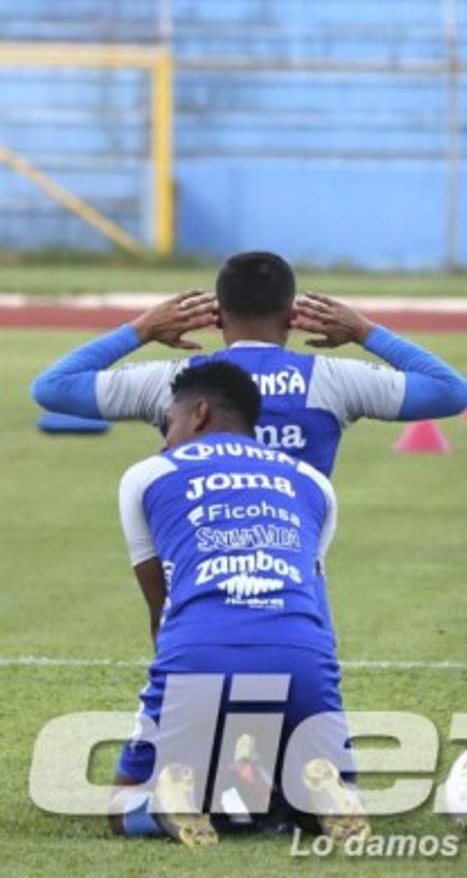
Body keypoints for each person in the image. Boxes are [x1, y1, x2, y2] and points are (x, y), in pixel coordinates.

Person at [109, 360, 366, 846]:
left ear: (199, 412)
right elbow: (310, 596)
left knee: (121, 807)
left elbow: (161, 609)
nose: (167, 436)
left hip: (198, 651)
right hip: (304, 658)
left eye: (170, 421)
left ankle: (176, 802)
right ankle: (313, 794)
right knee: (305, 799)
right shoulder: (313, 482)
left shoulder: (147, 475)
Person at [31, 250, 467, 477]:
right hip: (295, 578)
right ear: (292, 316)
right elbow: (451, 391)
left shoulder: (175, 382)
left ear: (217, 315)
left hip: (195, 581)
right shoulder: (331, 379)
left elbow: (53, 387)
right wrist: (365, 332)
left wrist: (141, 329)